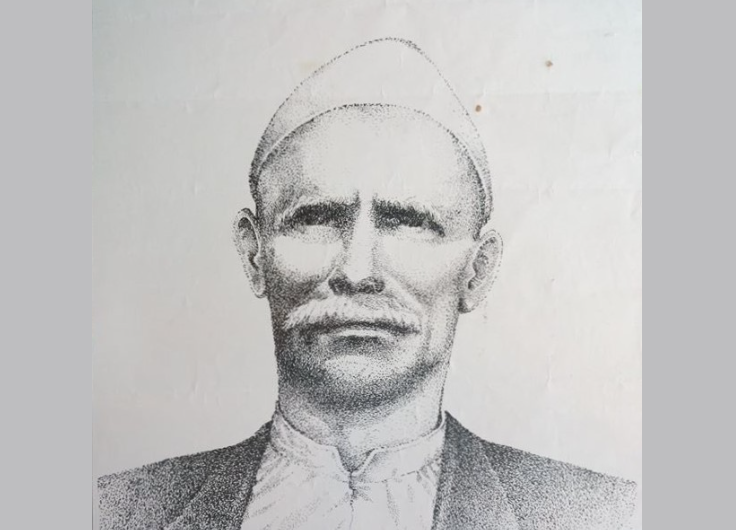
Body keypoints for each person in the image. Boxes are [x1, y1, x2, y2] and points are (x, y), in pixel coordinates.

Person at [98, 38, 636, 530]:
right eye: (315, 218)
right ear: (254, 253)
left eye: (410, 222)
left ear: (478, 270)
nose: (357, 271)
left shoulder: (606, 514)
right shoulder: (114, 510)